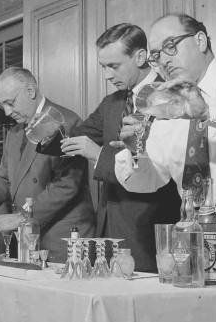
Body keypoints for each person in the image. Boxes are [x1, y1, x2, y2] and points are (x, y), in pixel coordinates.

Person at [114, 13, 216, 308]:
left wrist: (209, 112)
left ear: (200, 40)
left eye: (170, 46)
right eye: (155, 55)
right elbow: (151, 180)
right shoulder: (164, 109)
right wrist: (136, 151)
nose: (163, 60)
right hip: (192, 230)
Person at [55, 24, 180, 271]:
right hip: (110, 227)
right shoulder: (111, 103)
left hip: (151, 229)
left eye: (113, 66)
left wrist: (98, 154)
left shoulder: (170, 96)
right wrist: (46, 129)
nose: (107, 75)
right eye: (103, 67)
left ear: (141, 56)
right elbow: (75, 137)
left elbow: (161, 167)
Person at [0, 67, 95, 263]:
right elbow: (4, 175)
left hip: (61, 239)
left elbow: (66, 186)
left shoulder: (65, 122)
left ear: (30, 91)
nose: (7, 112)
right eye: (2, 105)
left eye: (10, 103)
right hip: (28, 239)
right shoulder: (14, 133)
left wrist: (22, 217)